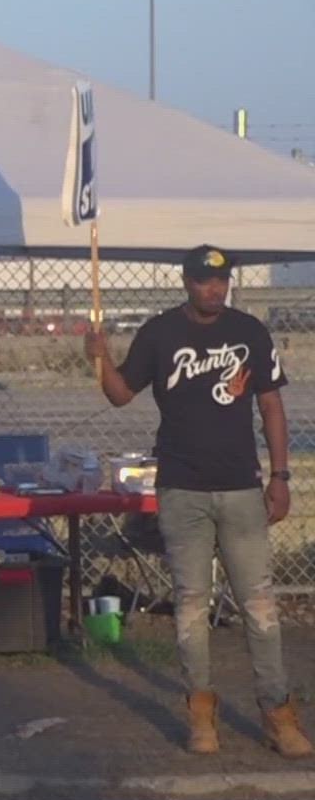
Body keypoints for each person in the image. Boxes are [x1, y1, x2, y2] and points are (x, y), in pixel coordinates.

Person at [85, 244, 309, 758]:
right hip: (182, 488)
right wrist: (99, 359)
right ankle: (201, 715)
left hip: (241, 488)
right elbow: (121, 394)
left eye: (222, 281)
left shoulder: (249, 332)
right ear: (186, 282)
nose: (215, 289)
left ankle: (278, 714)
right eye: (206, 281)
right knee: (190, 605)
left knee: (259, 604)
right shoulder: (161, 333)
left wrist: (280, 476)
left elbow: (271, 406)